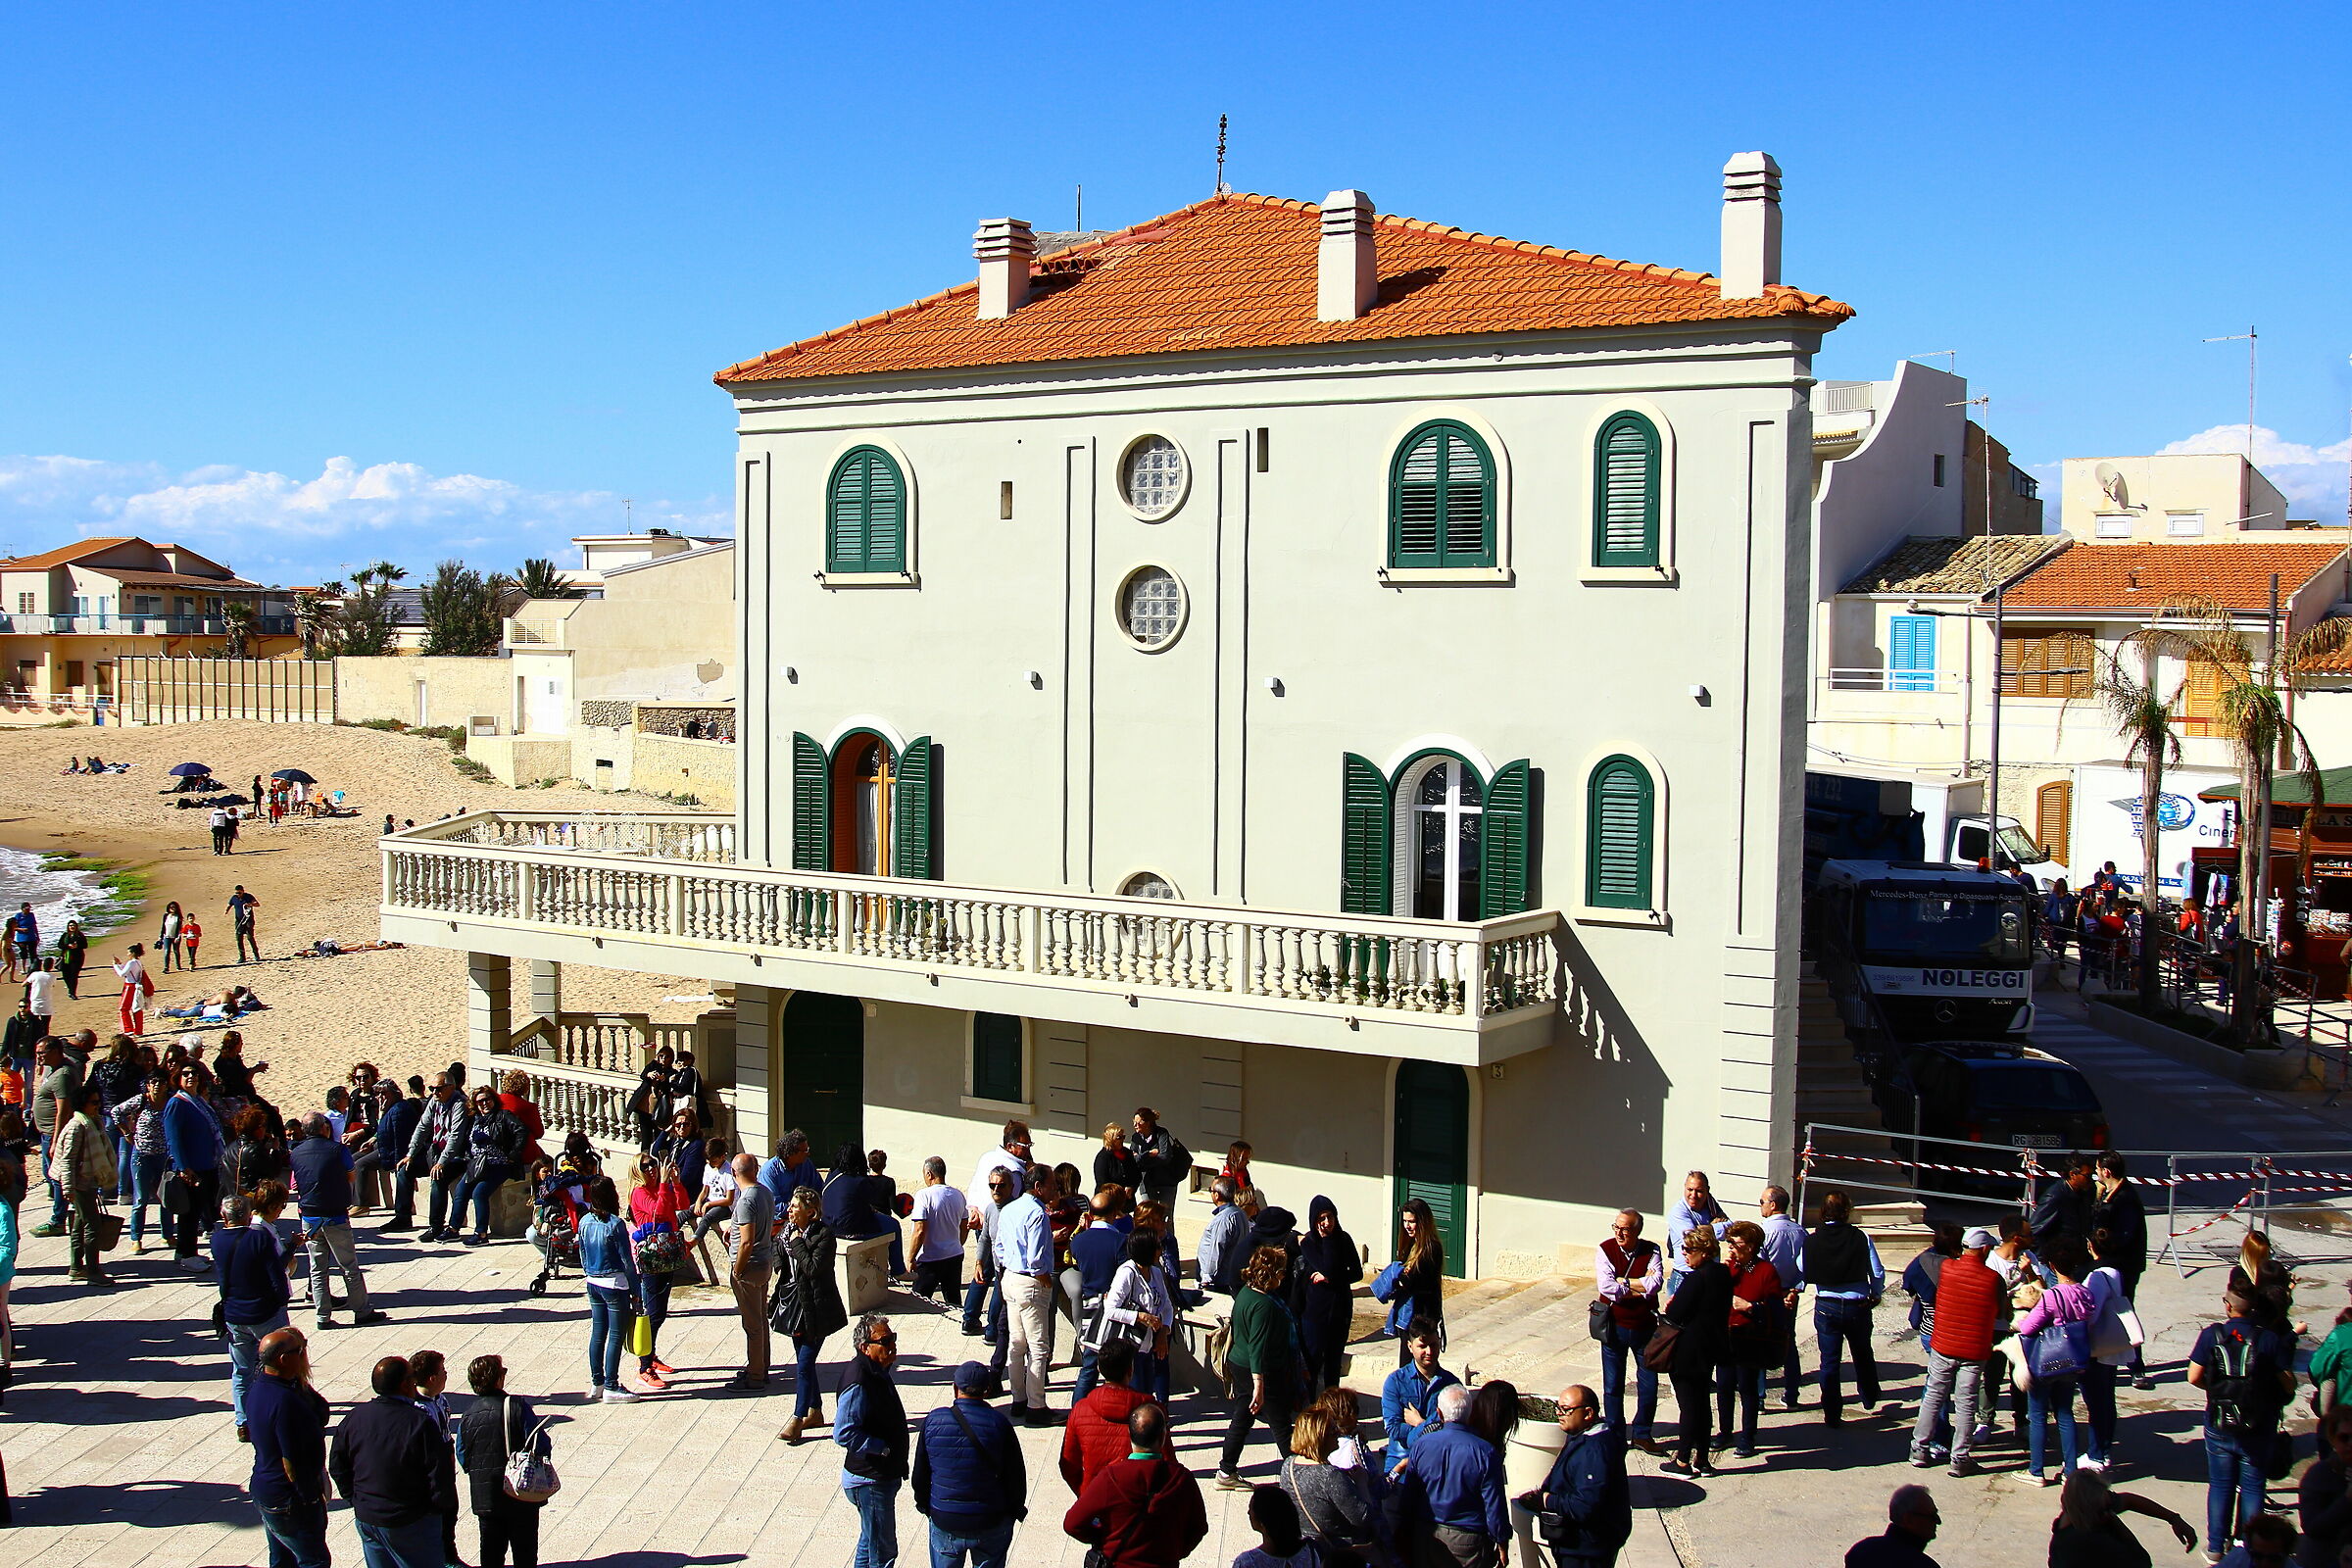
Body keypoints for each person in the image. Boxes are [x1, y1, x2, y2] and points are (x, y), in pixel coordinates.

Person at [2190, 1288, 2299, 1559]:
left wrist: (2216, 1391)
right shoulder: (2268, 1339)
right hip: (2258, 1423)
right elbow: (2288, 1383)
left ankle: (2216, 1547)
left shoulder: (2211, 1335)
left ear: (2228, 1306)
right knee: (2252, 1486)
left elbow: (2193, 1376)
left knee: (2220, 1484)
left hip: (2219, 1421)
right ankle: (2250, 1548)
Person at [330, 1355, 460, 1568]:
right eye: (412, 1377)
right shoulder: (419, 1423)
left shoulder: (355, 1417)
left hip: (369, 1519)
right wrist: (436, 1510)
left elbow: (338, 1465)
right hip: (411, 1521)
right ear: (405, 1385)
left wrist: (357, 1499)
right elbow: (439, 1474)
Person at [1064, 1398, 1208, 1568]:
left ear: (1129, 1434)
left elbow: (1072, 1524)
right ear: (1163, 1436)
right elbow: (1198, 1527)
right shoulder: (1182, 1478)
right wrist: (1174, 1552)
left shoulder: (1111, 1477)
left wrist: (1104, 1540)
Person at [912, 1359, 1029, 1568]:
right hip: (990, 1519)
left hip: (946, 1518)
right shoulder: (999, 1424)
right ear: (987, 1390)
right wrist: (1014, 1510)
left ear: (955, 1388)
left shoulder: (933, 1421)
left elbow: (921, 1472)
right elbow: (1016, 1476)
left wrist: (925, 1505)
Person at [1913, 1226, 1999, 1477]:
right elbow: (1999, 1310)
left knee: (1933, 1396)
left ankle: (1919, 1449)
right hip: (1973, 1348)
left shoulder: (1947, 1268)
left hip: (1943, 1344)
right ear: (1984, 1248)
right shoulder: (1992, 1278)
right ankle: (1960, 1458)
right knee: (1966, 1402)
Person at [1517, 1383, 1630, 1568]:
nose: (1559, 1413)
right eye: (1558, 1408)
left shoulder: (1594, 1452)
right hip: (1577, 1545)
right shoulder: (1583, 1435)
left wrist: (1547, 1500)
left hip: (1586, 1549)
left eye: (1566, 1409)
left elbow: (1585, 1505)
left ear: (1588, 1413)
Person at [2014, 1237, 2097, 1486]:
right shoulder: (2085, 1292)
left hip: (2048, 1359)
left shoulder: (2052, 1296)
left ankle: (2036, 1470)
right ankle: (2070, 1469)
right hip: (2073, 1359)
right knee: (2065, 1413)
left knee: (2038, 1415)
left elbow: (2028, 1328)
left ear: (2051, 1265)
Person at [1220, 1245, 1305, 1490]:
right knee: (1281, 1424)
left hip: (1240, 1364)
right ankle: (1298, 1479)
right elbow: (1257, 1346)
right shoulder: (1265, 1305)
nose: (1284, 1276)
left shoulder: (1246, 1292)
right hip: (1260, 1370)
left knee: (1243, 1417)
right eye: (1281, 1272)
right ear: (1271, 1274)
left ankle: (1226, 1470)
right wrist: (1259, 1386)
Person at [1397, 1382, 1508, 1568]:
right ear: (1470, 1414)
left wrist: (1406, 1534)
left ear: (1439, 1414)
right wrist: (1502, 1542)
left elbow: (1409, 1497)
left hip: (1426, 1535)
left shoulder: (1421, 1446)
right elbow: (1494, 1505)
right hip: (1468, 1543)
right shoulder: (1485, 1452)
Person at [291, 1110, 383, 1330]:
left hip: (309, 1216)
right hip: (335, 1215)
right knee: (348, 1266)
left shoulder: (296, 1152)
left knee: (317, 1268)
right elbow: (351, 1175)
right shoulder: (337, 1149)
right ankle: (361, 1310)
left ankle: (322, 1315)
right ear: (324, 1128)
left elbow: (295, 1183)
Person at [248, 1326, 330, 1568]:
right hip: (289, 1499)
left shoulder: (263, 1387)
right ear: (284, 1359)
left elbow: (322, 1411)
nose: (305, 1355)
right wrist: (309, 1499)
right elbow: (290, 1460)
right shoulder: (285, 1401)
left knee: (283, 1560)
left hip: (268, 1490)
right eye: (300, 1351)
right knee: (315, 1561)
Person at [457, 1354, 550, 1568]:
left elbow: (462, 1454)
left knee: (490, 1554)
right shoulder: (516, 1406)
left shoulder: (467, 1415)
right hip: (520, 1493)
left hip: (486, 1496)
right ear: (498, 1379)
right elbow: (540, 1444)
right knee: (525, 1553)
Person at [774, 1184, 848, 1442]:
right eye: (791, 1205)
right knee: (804, 1363)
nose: (790, 1210)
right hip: (795, 1307)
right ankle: (815, 1411)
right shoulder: (788, 1231)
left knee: (804, 1363)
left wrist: (796, 1243)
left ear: (810, 1211)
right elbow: (777, 1250)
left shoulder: (824, 1236)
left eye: (795, 1206)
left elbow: (813, 1268)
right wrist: (781, 1261)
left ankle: (798, 1417)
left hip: (817, 1310)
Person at [1806, 1189, 1886, 1426]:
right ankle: (1869, 1395)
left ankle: (1832, 1412)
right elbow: (1877, 1271)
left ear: (1823, 1211)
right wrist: (1876, 1293)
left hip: (1827, 1304)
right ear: (1847, 1211)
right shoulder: (1861, 1237)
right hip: (1856, 1304)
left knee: (1829, 1361)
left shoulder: (1813, 1239)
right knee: (1862, 1352)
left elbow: (1801, 1267)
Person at [836, 1313, 908, 1568]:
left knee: (869, 1542)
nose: (892, 1345)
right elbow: (843, 1432)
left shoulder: (877, 1370)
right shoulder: (859, 1380)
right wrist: (882, 1449)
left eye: (893, 1338)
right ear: (865, 1347)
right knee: (883, 1552)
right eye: (885, 1341)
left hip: (878, 1477)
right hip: (869, 1480)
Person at [1659, 1224, 1731, 1477]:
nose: (1684, 1254)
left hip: (1688, 1351)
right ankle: (1702, 1459)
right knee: (1702, 1404)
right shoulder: (1723, 1274)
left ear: (1704, 1251)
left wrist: (1671, 1305)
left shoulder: (1696, 1279)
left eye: (1689, 1250)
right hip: (1710, 1348)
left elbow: (1674, 1314)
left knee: (1689, 1406)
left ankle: (1682, 1461)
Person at [997, 1161, 1058, 1427]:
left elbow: (999, 1248)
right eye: (1052, 1185)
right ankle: (1036, 1405)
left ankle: (1019, 1399)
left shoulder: (1009, 1209)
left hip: (1010, 1278)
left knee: (1016, 1343)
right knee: (1038, 1347)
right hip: (1030, 1281)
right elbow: (1035, 1259)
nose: (1055, 1189)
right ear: (1039, 1187)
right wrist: (1045, 1280)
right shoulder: (1037, 1214)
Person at [1595, 1209, 1663, 1452]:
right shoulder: (1605, 1250)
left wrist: (1622, 1282)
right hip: (1615, 1326)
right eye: (1616, 1227)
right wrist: (1638, 1285)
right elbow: (1606, 1287)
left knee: (1649, 1383)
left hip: (1645, 1327)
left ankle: (1642, 1433)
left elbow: (1656, 1284)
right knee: (1613, 1383)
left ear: (1637, 1231)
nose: (1619, 1233)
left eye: (1625, 1229)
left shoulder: (1652, 1250)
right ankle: (1615, 1432)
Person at [1717, 1219, 1785, 1459]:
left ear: (1751, 1246)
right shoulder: (1728, 1269)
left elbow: (1776, 1310)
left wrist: (1751, 1307)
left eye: (1736, 1243)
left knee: (1747, 1387)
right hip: (1726, 1335)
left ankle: (1748, 1436)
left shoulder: (1766, 1271)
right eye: (1729, 1243)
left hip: (1750, 1336)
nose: (1731, 1247)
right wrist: (1722, 1274)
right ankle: (1725, 1432)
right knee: (1724, 1386)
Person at [1280, 1400, 1380, 1562]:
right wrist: (1362, 1482)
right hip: (1340, 1553)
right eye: (1333, 1430)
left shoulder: (1288, 1465)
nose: (1339, 1433)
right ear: (1319, 1437)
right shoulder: (1330, 1476)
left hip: (1307, 1550)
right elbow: (1363, 1517)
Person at [2046, 1468, 2197, 1567]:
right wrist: (2114, 1521)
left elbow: (2127, 1500)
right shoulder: (2091, 1542)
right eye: (2105, 1506)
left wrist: (2173, 1518)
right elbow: (2142, 1561)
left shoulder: (2068, 1519)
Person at [575, 1175, 641, 1402]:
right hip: (614, 1283)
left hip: (593, 1281)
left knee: (597, 1334)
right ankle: (612, 1385)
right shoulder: (615, 1224)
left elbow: (582, 1253)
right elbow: (627, 1261)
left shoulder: (584, 1221)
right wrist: (636, 1290)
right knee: (615, 1335)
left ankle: (598, 1383)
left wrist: (589, 1273)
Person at [626, 1151, 689, 1389]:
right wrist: (663, 1183)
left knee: (660, 1312)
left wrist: (676, 1183)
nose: (652, 1169)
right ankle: (644, 1367)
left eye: (653, 1164)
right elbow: (659, 1212)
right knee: (652, 1313)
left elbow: (682, 1205)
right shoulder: (640, 1193)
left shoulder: (660, 1188)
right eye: (645, 1166)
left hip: (667, 1253)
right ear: (637, 1171)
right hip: (652, 1258)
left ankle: (650, 1354)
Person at [1064, 1337, 1159, 1493]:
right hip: (1137, 1499)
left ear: (1099, 1369)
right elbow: (1167, 1462)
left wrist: (1086, 1494)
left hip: (1094, 1496)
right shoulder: (1152, 1411)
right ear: (1130, 1371)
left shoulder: (1080, 1410)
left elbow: (1068, 1464)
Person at [1071, 1191, 1138, 1402]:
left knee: (1089, 1365)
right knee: (1121, 1366)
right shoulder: (1121, 1242)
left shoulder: (1078, 1241)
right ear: (1114, 1214)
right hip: (1115, 1306)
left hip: (1090, 1305)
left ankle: (1077, 1410)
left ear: (1091, 1214)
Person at [1100, 1228, 1178, 1407]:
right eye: (1157, 1247)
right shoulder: (1127, 1272)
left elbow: (1167, 1306)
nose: (1161, 1250)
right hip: (1129, 1348)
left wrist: (1163, 1332)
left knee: (1146, 1395)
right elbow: (1110, 1309)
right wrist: (1139, 1316)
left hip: (1147, 1346)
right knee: (1134, 1400)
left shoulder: (1156, 1273)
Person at [2094, 1154, 2153, 1390]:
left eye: (2098, 1169)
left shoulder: (2125, 1198)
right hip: (2111, 1264)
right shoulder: (2109, 1194)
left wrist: (2102, 1248)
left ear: (2106, 1171)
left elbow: (2124, 1236)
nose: (2096, 1173)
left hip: (2124, 1267)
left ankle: (2136, 1367)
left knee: (2124, 1312)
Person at [52, 1082, 118, 1285]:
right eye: (93, 1102)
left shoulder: (93, 1122)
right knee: (92, 1225)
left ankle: (76, 1266)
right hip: (80, 1183)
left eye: (99, 1102)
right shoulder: (77, 1126)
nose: (98, 1106)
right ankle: (93, 1270)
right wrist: (68, 1188)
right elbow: (68, 1160)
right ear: (82, 1103)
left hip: (88, 1180)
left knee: (79, 1223)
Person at [164, 1059, 225, 1270]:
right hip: (191, 1168)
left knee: (198, 1209)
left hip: (206, 1163)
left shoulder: (198, 1100)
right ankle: (187, 1255)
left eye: (194, 1074)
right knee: (189, 1213)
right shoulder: (177, 1103)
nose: (191, 1077)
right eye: (186, 1074)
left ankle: (186, 1251)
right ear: (178, 1078)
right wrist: (183, 1167)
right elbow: (173, 1139)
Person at [1384, 1316, 1460, 1476]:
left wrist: (1420, 1423)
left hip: (1438, 1464)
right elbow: (1394, 1429)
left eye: (1433, 1345)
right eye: (1422, 1346)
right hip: (1401, 1463)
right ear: (1410, 1347)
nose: (1429, 1352)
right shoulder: (1395, 1382)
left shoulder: (1452, 1385)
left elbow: (1456, 1432)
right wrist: (1431, 1427)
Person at [725, 1152, 776, 1391]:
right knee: (761, 1319)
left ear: (734, 1173)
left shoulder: (746, 1200)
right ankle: (762, 1367)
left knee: (752, 1324)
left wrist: (737, 1270)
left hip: (750, 1266)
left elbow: (746, 1242)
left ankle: (755, 1376)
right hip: (764, 1262)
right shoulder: (765, 1192)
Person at [404, 1073, 472, 1243]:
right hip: (435, 1152)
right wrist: (410, 1154)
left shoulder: (459, 1104)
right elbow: (422, 1127)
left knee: (438, 1177)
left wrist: (442, 1162)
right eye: (432, 1088)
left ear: (451, 1087)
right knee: (405, 1169)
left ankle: (436, 1226)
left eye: (438, 1089)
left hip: (457, 1156)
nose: (434, 1092)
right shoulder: (434, 1102)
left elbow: (455, 1137)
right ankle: (402, 1217)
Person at [904, 1152, 967, 1303]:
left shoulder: (923, 1195)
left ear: (929, 1174)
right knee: (953, 1300)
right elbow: (965, 1225)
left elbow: (919, 1230)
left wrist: (911, 1258)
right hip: (954, 1255)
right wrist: (956, 1243)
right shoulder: (958, 1194)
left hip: (930, 1259)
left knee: (919, 1302)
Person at [2295, 1406, 2352, 1568]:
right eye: (2344, 1438)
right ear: (2333, 1440)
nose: (2351, 1444)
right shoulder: (2319, 1475)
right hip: (2325, 1559)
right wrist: (2347, 1499)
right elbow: (2312, 1527)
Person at [364, 1079, 424, 1227]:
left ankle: (403, 1218)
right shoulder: (390, 1109)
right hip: (391, 1155)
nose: (380, 1097)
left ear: (394, 1093)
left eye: (384, 1093)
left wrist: (398, 1163)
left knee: (403, 1175)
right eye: (378, 1094)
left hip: (404, 1157)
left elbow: (401, 1141)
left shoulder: (399, 1110)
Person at [1393, 1198, 1446, 1361]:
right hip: (1408, 1314)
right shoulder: (1410, 1245)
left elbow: (1415, 1282)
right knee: (1406, 1363)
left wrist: (1398, 1277)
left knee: (1421, 1362)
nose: (1407, 1226)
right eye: (1405, 1221)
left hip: (1423, 1317)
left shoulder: (1431, 1248)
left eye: (1412, 1222)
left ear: (1422, 1222)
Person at [1843, 1484, 1942, 1567]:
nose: (1938, 1521)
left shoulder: (1861, 1550)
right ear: (1908, 1519)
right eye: (1932, 1516)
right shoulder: (1924, 1565)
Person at [1233, 1485, 1327, 1568]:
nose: (1248, 1512)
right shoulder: (1312, 1551)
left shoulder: (1246, 1563)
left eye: (1251, 1508)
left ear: (1263, 1522)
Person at [1666, 1171, 1729, 1293]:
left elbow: (1730, 1229)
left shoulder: (1711, 1205)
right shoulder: (1678, 1212)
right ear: (1684, 1187)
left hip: (1709, 1274)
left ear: (1707, 1190)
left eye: (1699, 1191)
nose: (1693, 1195)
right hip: (1684, 1276)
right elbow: (1694, 1240)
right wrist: (1712, 1227)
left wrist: (1705, 1229)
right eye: (1690, 1189)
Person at [1126, 1106, 1187, 1209]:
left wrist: (1142, 1161)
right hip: (1146, 1183)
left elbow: (1165, 1157)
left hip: (1166, 1182)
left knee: (1165, 1215)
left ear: (1148, 1123)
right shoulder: (1135, 1137)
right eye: (1134, 1122)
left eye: (1138, 1122)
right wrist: (1148, 1154)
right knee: (1148, 1213)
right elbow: (1132, 1160)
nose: (1135, 1125)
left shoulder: (1161, 1134)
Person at [2034, 1157, 2098, 1253]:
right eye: (2087, 1176)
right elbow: (2036, 1230)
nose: (2091, 1180)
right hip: (2059, 1256)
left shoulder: (2085, 1193)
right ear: (2073, 1175)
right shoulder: (2055, 1197)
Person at [114, 941, 151, 1037]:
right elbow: (128, 971)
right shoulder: (138, 962)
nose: (128, 954)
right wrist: (120, 964)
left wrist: (115, 966)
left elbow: (122, 974)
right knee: (137, 1008)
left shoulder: (131, 963)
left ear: (133, 953)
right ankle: (139, 1030)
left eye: (129, 952)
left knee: (124, 1008)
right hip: (137, 986)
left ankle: (128, 1029)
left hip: (130, 986)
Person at [1096, 1121, 1140, 1196]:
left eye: (1123, 1137)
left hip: (1127, 1198)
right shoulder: (1103, 1157)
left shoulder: (1128, 1153)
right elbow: (1102, 1183)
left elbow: (1136, 1175)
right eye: (1119, 1137)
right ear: (1110, 1139)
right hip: (1108, 1198)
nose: (1122, 1140)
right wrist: (1119, 1192)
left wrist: (1132, 1188)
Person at [229, 885, 262, 963]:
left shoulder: (248, 896)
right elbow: (230, 904)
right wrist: (227, 911)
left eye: (239, 893)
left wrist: (250, 904)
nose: (238, 894)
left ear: (243, 891)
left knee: (250, 937)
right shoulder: (234, 898)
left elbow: (257, 904)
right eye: (237, 893)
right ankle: (242, 957)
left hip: (248, 920)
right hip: (239, 921)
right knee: (239, 938)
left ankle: (256, 955)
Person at [56, 918, 86, 1000]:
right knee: (65, 975)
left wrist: (77, 946)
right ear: (68, 927)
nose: (72, 927)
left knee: (74, 976)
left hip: (77, 958)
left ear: (76, 926)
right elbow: (59, 945)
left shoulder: (80, 935)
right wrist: (67, 946)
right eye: (70, 925)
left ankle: (73, 993)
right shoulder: (65, 935)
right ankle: (70, 989)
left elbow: (85, 945)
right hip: (66, 957)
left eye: (73, 925)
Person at [159, 901, 186, 972]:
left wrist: (178, 937)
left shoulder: (178, 917)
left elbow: (180, 928)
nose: (172, 909)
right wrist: (160, 936)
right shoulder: (166, 916)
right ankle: (166, 967)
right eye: (171, 907)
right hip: (167, 936)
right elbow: (163, 926)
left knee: (176, 951)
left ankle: (178, 966)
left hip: (175, 937)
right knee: (166, 951)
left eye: (174, 907)